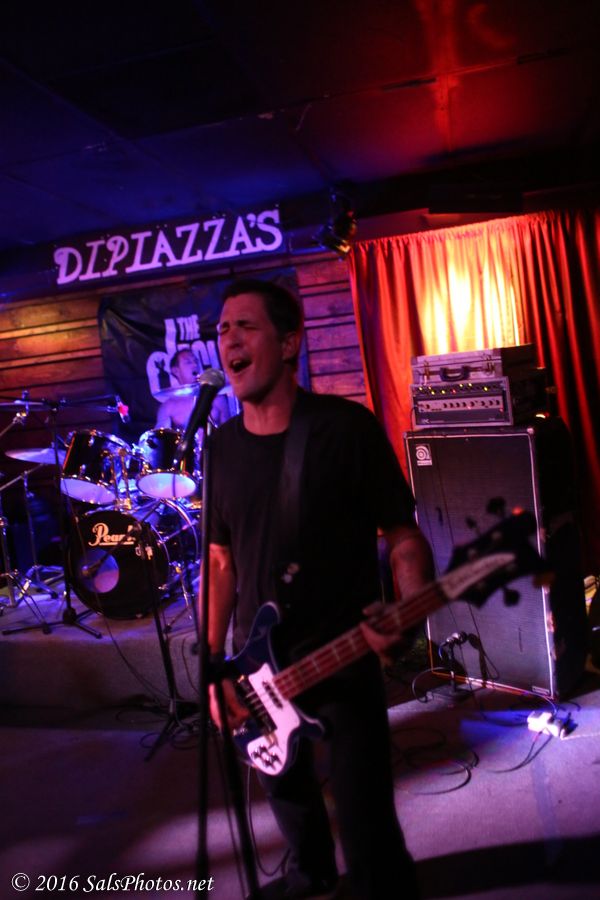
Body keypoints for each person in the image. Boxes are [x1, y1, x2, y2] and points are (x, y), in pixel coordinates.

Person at [205, 278, 433, 900]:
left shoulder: (344, 429)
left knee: (370, 836)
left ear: (289, 343)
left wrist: (407, 614)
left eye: (245, 326)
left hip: (343, 656)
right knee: (290, 803)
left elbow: (403, 537)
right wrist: (213, 664)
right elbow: (220, 561)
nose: (229, 338)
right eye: (222, 329)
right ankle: (310, 873)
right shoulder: (219, 449)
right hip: (259, 668)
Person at [155, 347, 230, 430]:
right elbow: (160, 435)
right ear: (176, 371)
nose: (195, 365)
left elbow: (228, 431)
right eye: (188, 362)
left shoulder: (218, 399)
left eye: (196, 361)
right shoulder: (168, 406)